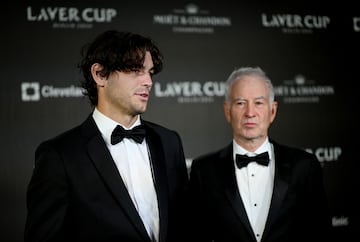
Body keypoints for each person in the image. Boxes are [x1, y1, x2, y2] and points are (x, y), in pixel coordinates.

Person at [24, 30, 189, 242]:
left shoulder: (168, 142)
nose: (149, 81)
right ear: (100, 74)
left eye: (150, 72)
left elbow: (185, 225)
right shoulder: (59, 156)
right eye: (136, 70)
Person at [188, 66, 332, 242]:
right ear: (227, 111)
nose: (250, 113)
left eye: (258, 103)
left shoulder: (304, 166)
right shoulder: (204, 171)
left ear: (272, 111)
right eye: (240, 103)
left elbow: (320, 234)